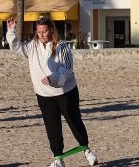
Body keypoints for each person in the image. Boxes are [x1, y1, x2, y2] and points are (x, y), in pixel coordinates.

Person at [6, 16, 98, 167]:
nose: (41, 34)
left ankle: (87, 151)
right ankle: (58, 159)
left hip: (66, 92)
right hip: (44, 95)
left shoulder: (62, 46)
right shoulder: (32, 46)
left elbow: (67, 68)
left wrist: (53, 78)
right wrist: (11, 31)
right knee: (52, 127)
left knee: (74, 122)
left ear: (51, 31)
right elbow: (17, 47)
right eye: (39, 31)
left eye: (44, 31)